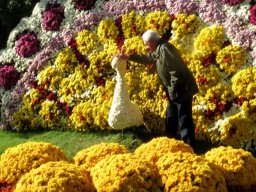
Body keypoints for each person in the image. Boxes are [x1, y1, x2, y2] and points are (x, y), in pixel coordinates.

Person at [116, 29, 199, 148]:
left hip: (182, 89)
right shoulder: (159, 48)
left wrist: (173, 90)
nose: (146, 46)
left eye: (146, 44)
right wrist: (128, 57)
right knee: (171, 117)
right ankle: (170, 144)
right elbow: (148, 58)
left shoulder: (165, 49)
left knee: (184, 119)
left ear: (151, 42)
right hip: (175, 90)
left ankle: (189, 147)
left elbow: (177, 72)